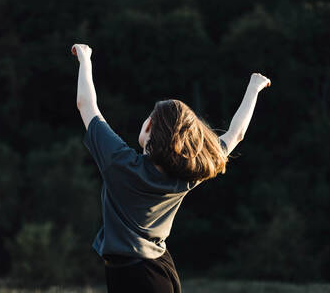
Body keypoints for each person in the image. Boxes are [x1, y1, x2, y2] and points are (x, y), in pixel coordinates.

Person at [71, 43, 271, 293]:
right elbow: (236, 134)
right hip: (160, 269)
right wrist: (254, 88)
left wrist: (85, 59)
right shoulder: (187, 174)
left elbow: (86, 105)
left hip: (132, 275)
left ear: (149, 126)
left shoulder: (119, 163)